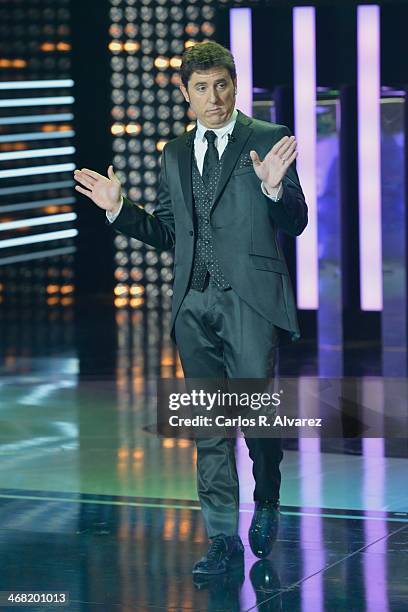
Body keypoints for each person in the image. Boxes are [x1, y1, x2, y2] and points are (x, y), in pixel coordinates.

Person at [74, 41, 308, 576]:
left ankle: (268, 497)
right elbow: (168, 231)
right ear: (185, 93)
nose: (214, 97)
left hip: (251, 302)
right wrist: (119, 211)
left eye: (222, 84)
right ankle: (221, 538)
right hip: (193, 305)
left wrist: (275, 191)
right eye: (201, 88)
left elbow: (296, 220)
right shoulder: (174, 152)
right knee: (211, 426)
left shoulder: (268, 140)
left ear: (234, 83)